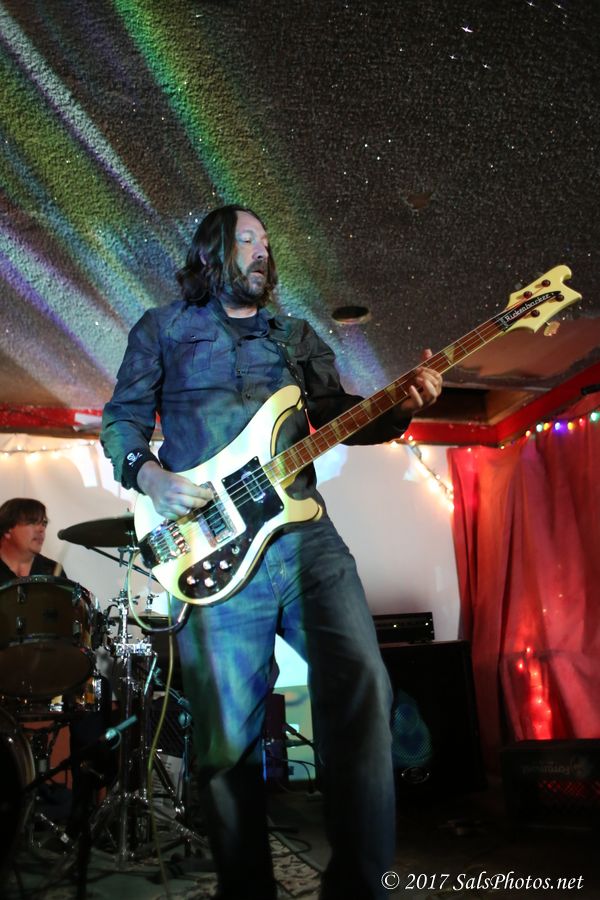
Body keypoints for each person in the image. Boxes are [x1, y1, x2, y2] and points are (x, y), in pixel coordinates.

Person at [101, 205, 443, 900]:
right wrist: (151, 476)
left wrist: (401, 406)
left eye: (266, 242)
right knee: (225, 741)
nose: (262, 251)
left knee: (363, 687)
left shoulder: (294, 335)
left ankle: (359, 888)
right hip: (211, 546)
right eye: (247, 239)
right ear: (210, 253)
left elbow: (339, 415)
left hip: (304, 537)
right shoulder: (162, 328)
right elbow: (123, 421)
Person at [0, 497, 113, 842]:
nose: (41, 529)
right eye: (32, 522)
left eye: (44, 523)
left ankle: (82, 815)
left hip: (48, 676)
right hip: (3, 677)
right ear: (7, 530)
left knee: (96, 691)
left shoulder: (53, 572)